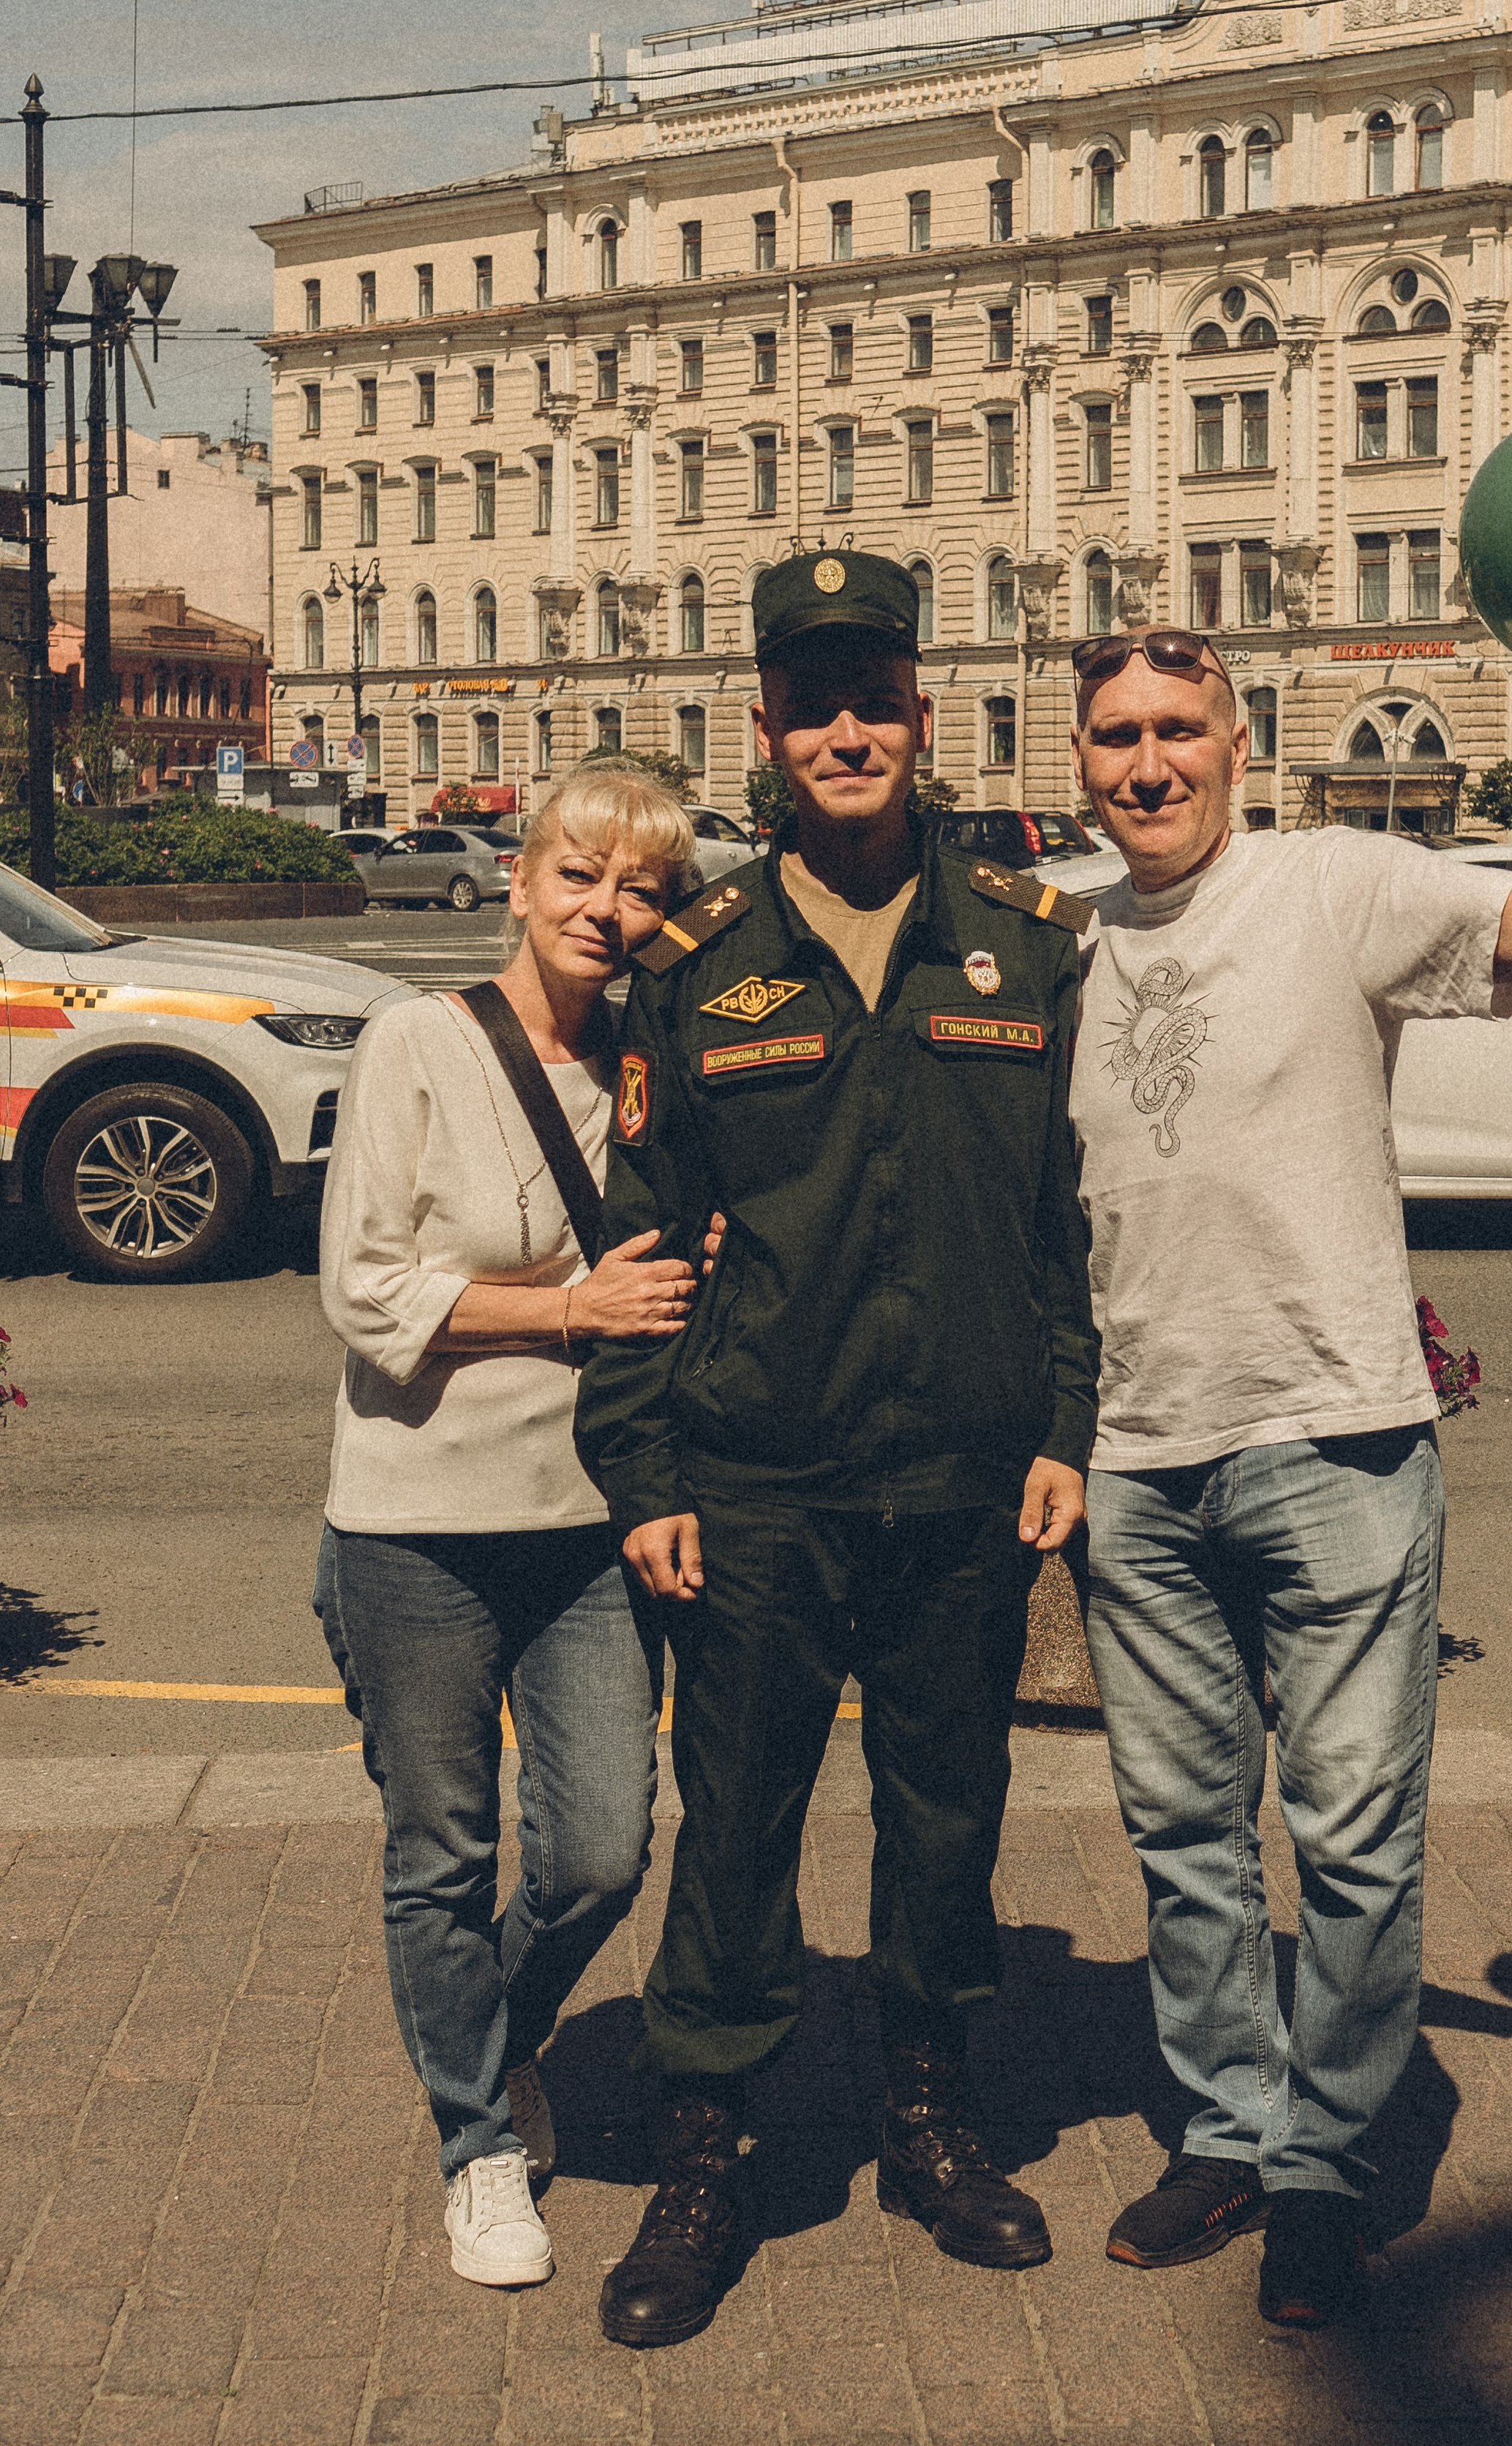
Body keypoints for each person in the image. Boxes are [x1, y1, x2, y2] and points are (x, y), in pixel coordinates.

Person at [1069, 583, 1512, 2325]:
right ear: (1079, 760)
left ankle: (1323, 2166)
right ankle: (1224, 2128)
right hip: (1136, 1451)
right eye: (1117, 735)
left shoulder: (1329, 882)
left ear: (1235, 745)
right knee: (1182, 1832)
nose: (1150, 761)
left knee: (1349, 1839)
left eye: (1180, 730)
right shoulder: (1061, 933)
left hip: (1330, 1433)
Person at [573, 548, 1099, 2349]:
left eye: (876, 697)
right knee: (736, 1828)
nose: (847, 731)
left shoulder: (1024, 944)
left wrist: (1063, 1428)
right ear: (766, 730)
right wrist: (641, 1479)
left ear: (922, 719)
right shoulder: (703, 964)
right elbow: (641, 1245)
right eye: (813, 704)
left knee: (947, 1812)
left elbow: (1060, 1226)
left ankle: (928, 2111)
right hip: (757, 1482)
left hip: (963, 1476)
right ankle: (707, 2150)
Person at [316, 767, 712, 2291]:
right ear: (519, 878)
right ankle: (478, 2143)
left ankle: (490, 2033)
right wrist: (570, 1308)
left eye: (642, 890)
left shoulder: (646, 1064)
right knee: (440, 1851)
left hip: (588, 1518)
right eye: (580, 875)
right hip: (416, 1516)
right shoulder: (419, 1042)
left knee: (605, 1844)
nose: (607, 910)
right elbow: (361, 1292)